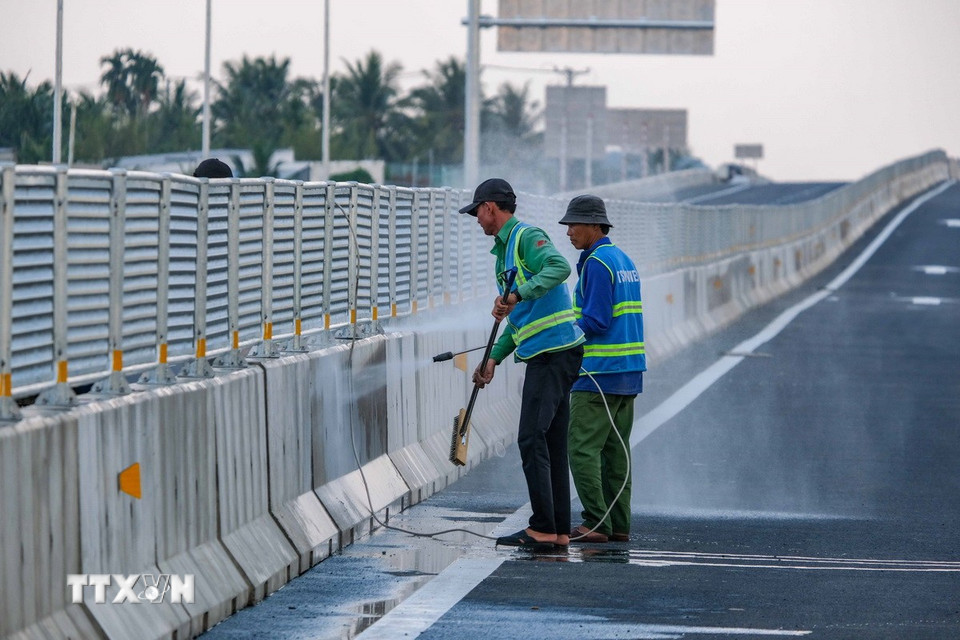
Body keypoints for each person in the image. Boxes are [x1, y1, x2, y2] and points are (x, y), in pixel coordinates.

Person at [460, 177, 585, 549]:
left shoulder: (525, 237)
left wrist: (516, 293)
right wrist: (494, 359)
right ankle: (558, 530)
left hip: (553, 354)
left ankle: (543, 527)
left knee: (531, 438)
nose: (477, 221)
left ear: (490, 208)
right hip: (552, 353)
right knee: (551, 442)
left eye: (477, 214)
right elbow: (520, 318)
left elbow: (560, 267)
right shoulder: (504, 252)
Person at [559, 194, 645, 544]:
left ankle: (594, 522)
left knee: (581, 449)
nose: (569, 232)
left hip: (597, 373)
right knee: (616, 454)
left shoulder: (596, 263)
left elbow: (595, 319)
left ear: (596, 225)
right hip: (629, 373)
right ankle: (618, 525)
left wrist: (560, 333)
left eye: (575, 225)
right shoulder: (623, 259)